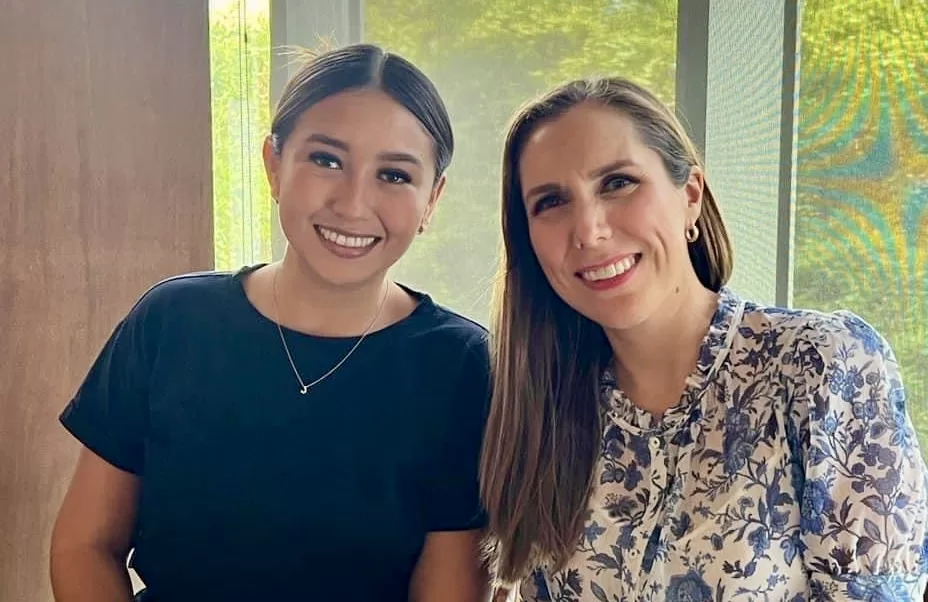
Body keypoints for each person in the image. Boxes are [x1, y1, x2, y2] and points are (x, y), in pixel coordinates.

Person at [50, 43, 491, 602]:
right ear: (274, 165)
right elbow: (85, 545)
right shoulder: (172, 322)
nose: (353, 204)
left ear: (432, 199)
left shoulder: (461, 366)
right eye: (326, 160)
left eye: (394, 175)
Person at [480, 77, 928, 601]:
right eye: (551, 201)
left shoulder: (824, 365)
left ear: (690, 196)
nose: (589, 230)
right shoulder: (542, 409)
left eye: (618, 183)